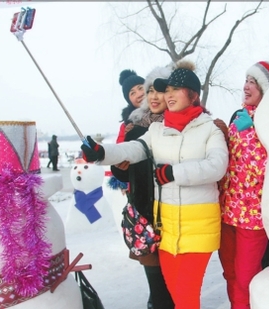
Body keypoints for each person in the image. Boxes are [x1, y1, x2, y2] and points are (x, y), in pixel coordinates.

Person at [81, 60, 228, 309]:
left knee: (186, 297)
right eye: (165, 90)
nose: (168, 95)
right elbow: (133, 149)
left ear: (192, 94)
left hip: (199, 227)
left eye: (174, 90)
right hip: (167, 228)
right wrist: (101, 153)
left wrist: (174, 173)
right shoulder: (157, 130)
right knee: (173, 292)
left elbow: (217, 166)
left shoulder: (209, 129)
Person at [218, 61, 269, 309]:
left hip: (253, 217)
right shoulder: (237, 117)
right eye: (246, 80)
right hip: (227, 212)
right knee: (229, 273)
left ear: (266, 89)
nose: (246, 86)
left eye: (253, 82)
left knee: (246, 277)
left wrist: (255, 130)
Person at [111, 64, 175, 309]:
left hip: (170, 199)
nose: (139, 95)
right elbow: (119, 164)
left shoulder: (170, 116)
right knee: (151, 258)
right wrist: (119, 163)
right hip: (143, 201)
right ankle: (157, 301)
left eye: (141, 88)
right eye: (133, 93)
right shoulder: (129, 126)